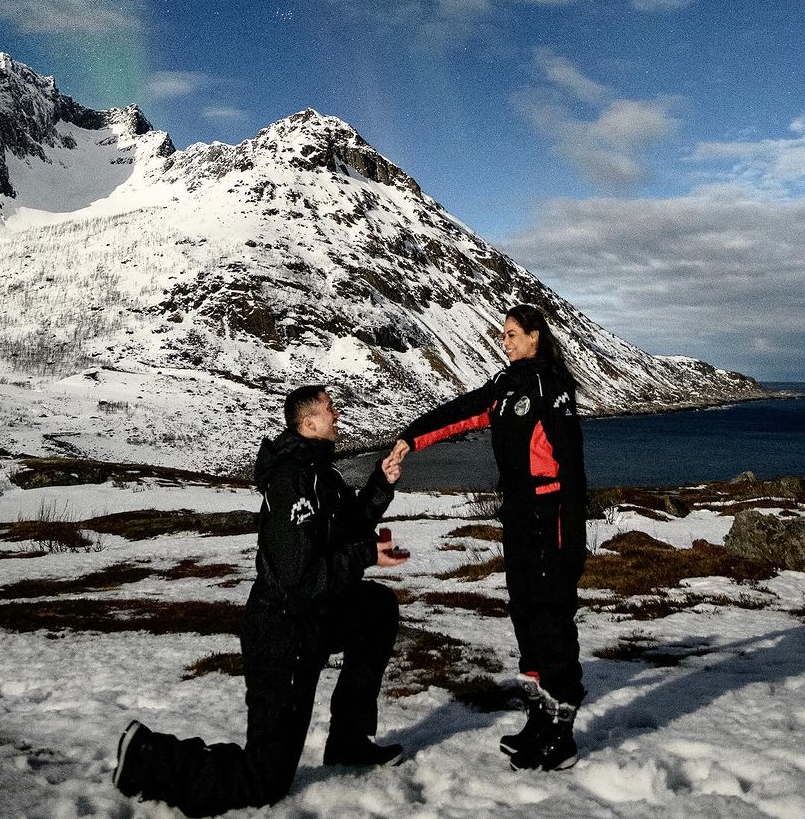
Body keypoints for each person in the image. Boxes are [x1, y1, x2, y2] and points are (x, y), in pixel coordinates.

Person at [112, 385, 408, 816]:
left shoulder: (320, 472)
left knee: (376, 608)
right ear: (307, 423)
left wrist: (381, 482)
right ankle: (147, 756)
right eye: (329, 408)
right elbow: (299, 577)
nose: (338, 413)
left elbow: (348, 527)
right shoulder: (292, 480)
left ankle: (348, 741)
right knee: (265, 779)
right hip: (282, 632)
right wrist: (365, 555)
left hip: (314, 616)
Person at [388, 304, 586, 772]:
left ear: (536, 336)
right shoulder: (504, 385)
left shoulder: (551, 388)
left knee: (551, 618)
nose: (506, 341)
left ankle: (562, 736)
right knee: (524, 615)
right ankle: (538, 719)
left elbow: (573, 467)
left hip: (549, 515)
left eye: (514, 334)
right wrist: (411, 438)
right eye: (504, 335)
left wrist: (572, 538)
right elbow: (462, 413)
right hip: (517, 515)